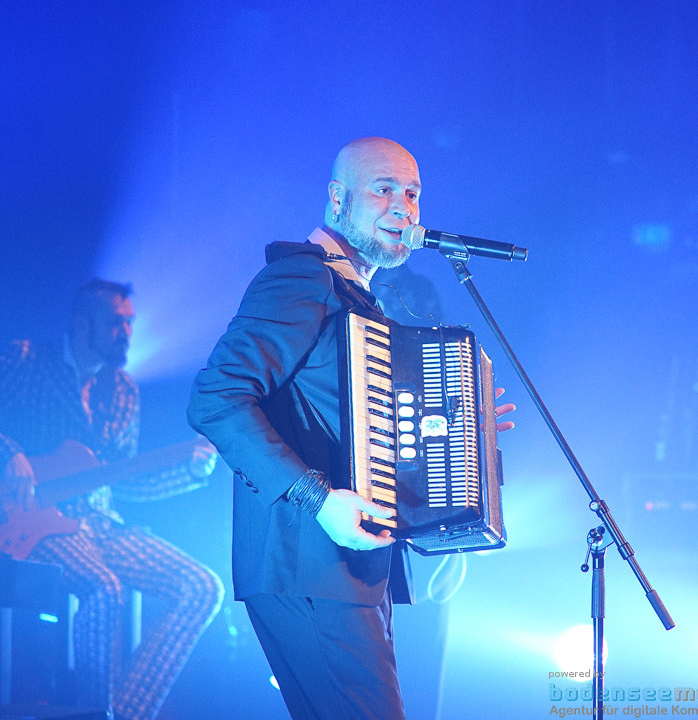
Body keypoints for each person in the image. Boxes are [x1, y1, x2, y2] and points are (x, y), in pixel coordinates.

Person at [186, 137, 514, 720]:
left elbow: (362, 429)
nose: (403, 207)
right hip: (307, 559)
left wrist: (466, 431)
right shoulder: (299, 279)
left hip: (350, 562)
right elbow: (217, 399)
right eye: (383, 189)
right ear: (338, 200)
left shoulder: (356, 295)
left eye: (412, 193)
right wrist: (317, 498)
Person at [0, 279, 225, 720]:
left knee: (202, 587)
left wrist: (188, 473)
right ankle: (93, 711)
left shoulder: (124, 389)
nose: (127, 332)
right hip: (29, 515)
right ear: (81, 323)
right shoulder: (27, 358)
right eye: (115, 323)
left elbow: (122, 484)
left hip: (100, 522)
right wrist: (7, 456)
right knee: (104, 589)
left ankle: (117, 716)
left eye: (129, 322)